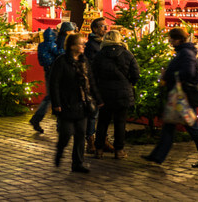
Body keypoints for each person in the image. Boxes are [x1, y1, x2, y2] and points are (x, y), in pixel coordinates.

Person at [142, 28, 198, 168]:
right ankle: (157, 156)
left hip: (183, 98)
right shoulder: (184, 52)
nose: (169, 41)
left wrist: (168, 75)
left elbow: (188, 72)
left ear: (178, 39)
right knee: (169, 126)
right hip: (179, 97)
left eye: (171, 38)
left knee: (192, 128)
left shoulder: (186, 53)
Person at [49, 32, 99, 173]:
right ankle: (60, 149)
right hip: (67, 103)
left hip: (82, 103)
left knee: (80, 134)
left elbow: (91, 81)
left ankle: (78, 163)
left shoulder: (84, 61)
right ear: (72, 46)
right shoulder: (61, 62)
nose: (84, 46)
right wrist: (56, 103)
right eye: (81, 44)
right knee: (66, 133)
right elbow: (54, 84)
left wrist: (98, 98)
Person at [91, 30, 139, 159]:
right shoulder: (127, 54)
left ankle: (99, 150)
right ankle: (119, 150)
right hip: (123, 93)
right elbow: (135, 74)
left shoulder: (100, 55)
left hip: (104, 93)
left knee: (102, 122)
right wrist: (128, 83)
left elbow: (93, 74)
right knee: (120, 123)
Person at [30, 27, 63, 134]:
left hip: (47, 70)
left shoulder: (41, 45)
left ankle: (38, 119)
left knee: (51, 96)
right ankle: (37, 118)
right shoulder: (52, 44)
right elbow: (58, 53)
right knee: (51, 96)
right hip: (52, 71)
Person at [83, 18, 109, 153]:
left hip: (104, 83)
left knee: (103, 114)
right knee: (93, 113)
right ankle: (90, 140)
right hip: (95, 83)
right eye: (103, 26)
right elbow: (91, 66)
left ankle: (103, 139)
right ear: (95, 29)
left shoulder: (104, 43)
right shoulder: (91, 45)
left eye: (106, 26)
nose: (106, 28)